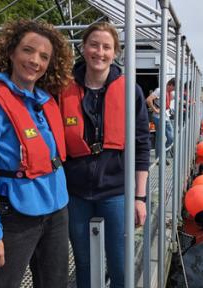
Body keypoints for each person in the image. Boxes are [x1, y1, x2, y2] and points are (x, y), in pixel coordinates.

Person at [0, 19, 73, 287]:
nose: (35, 61)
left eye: (44, 56)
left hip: (56, 211)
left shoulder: (45, 100)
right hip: (15, 216)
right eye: (28, 51)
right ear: (10, 52)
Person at [59, 22, 150, 288]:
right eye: (94, 45)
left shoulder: (130, 91)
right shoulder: (62, 89)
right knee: (84, 261)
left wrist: (140, 197)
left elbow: (142, 145)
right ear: (83, 48)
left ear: (115, 52)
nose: (100, 52)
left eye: (106, 47)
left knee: (120, 261)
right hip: (75, 193)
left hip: (115, 192)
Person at [146, 78, 175, 159]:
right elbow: (148, 100)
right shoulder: (159, 90)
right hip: (158, 117)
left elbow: (178, 98)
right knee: (160, 138)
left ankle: (163, 156)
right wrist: (155, 110)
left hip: (166, 117)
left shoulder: (170, 93)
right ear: (171, 85)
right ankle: (159, 158)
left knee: (171, 137)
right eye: (174, 88)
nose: (174, 90)